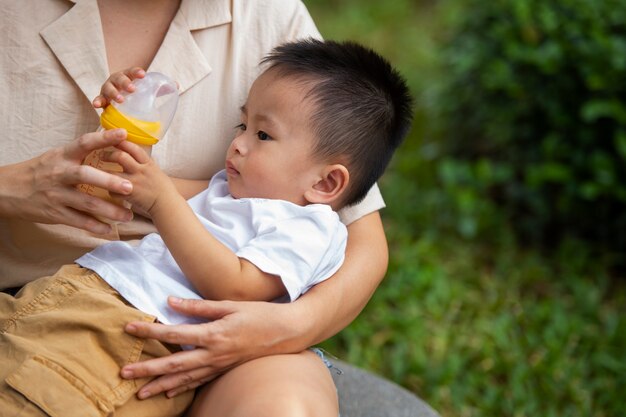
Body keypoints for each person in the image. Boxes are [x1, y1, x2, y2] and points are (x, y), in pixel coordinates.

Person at [0, 0, 418, 414]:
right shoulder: (230, 190)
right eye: (242, 125)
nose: (237, 142)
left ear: (327, 183)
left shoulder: (306, 229)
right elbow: (129, 183)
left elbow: (236, 285)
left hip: (134, 330)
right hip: (68, 291)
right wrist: (125, 118)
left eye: (263, 135)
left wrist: (293, 326)